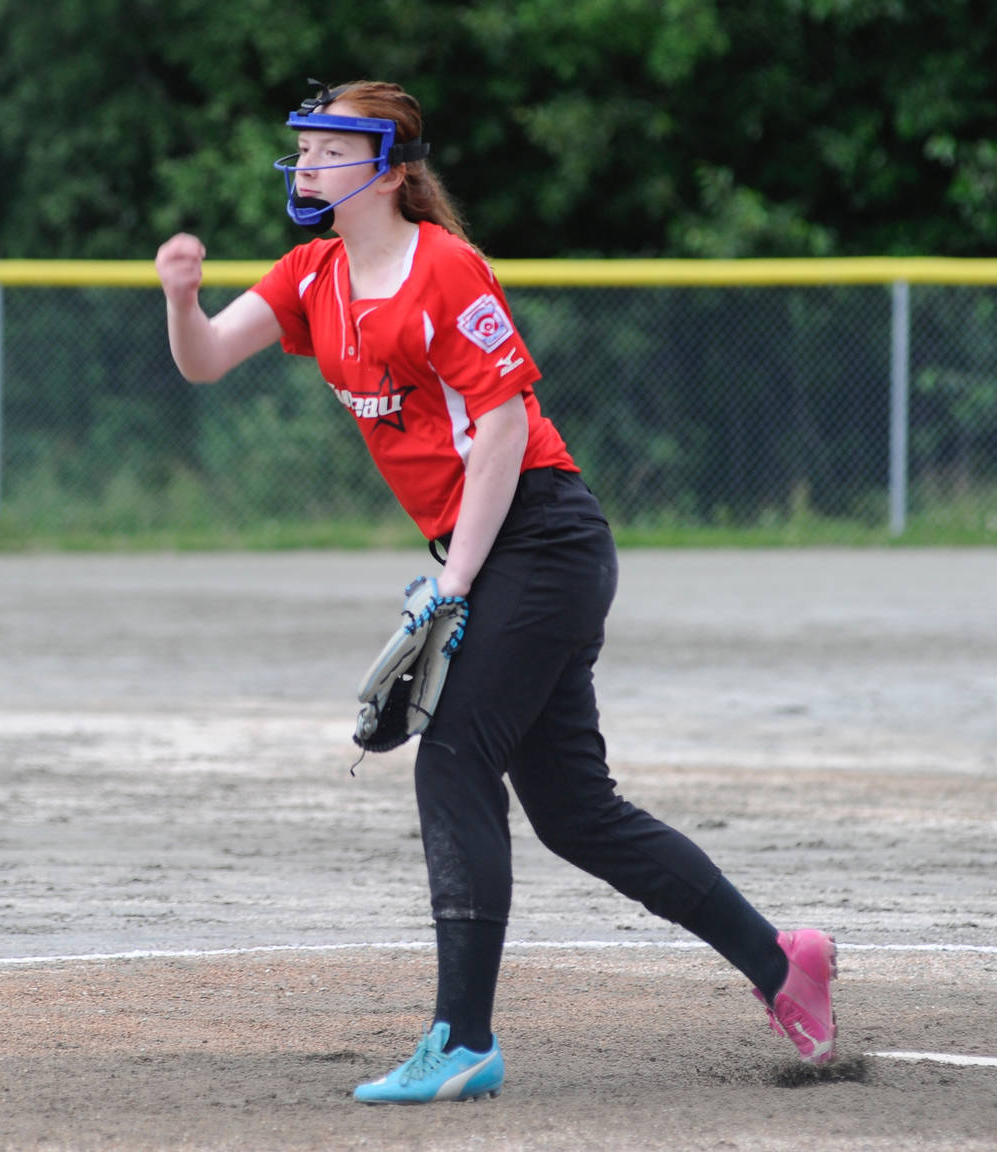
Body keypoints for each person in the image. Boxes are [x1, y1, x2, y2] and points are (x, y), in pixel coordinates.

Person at [154, 79, 838, 1104]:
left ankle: (462, 1039)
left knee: (453, 757)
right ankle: (785, 967)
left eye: (326, 147)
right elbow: (204, 360)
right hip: (492, 548)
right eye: (301, 148)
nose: (303, 164)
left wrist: (455, 579)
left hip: (541, 538)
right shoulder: (314, 275)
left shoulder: (443, 269)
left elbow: (507, 426)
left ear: (385, 168)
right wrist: (179, 297)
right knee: (577, 816)